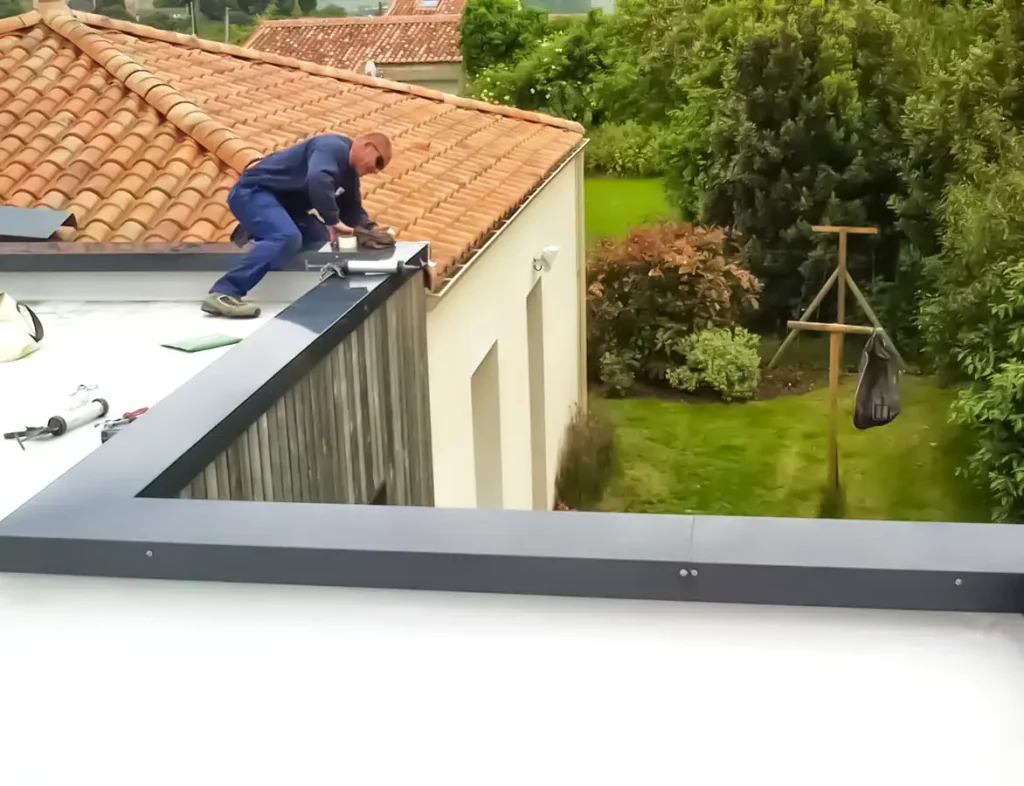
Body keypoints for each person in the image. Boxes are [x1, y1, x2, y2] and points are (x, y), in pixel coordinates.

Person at [202, 132, 393, 319]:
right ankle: (224, 292)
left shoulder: (349, 175)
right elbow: (318, 179)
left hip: (284, 208)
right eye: (378, 162)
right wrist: (333, 220)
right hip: (253, 193)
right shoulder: (332, 146)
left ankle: (257, 235)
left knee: (319, 238)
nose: (375, 171)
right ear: (367, 146)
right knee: (286, 237)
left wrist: (370, 231)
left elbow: (351, 209)